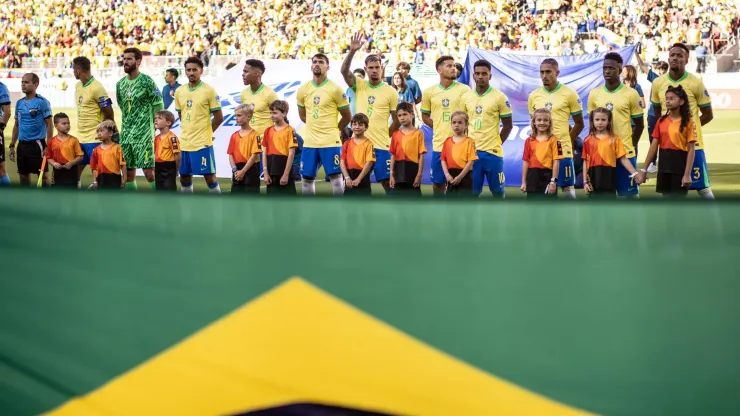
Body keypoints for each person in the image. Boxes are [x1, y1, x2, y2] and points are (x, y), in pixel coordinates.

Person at [650, 43, 714, 199]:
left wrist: (686, 129)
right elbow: (658, 114)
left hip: (693, 146)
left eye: (679, 55)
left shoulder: (695, 83)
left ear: (687, 60)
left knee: (703, 189)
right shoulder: (658, 83)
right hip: (669, 147)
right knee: (671, 192)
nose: (675, 58)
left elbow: (708, 114)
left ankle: (718, 223)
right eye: (672, 55)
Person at [341, 33, 399, 194]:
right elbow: (344, 71)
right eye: (371, 68)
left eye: (377, 67)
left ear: (382, 68)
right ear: (366, 69)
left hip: (380, 145)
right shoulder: (359, 85)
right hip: (358, 145)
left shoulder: (391, 92)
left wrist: (387, 133)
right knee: (355, 183)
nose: (374, 70)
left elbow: (396, 120)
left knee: (388, 183)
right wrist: (352, 51)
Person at [587, 52, 644, 198]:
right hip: (602, 155)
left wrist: (630, 144)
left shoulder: (631, 94)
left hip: (625, 153)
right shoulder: (594, 94)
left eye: (611, 68)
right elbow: (592, 126)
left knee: (629, 197)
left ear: (619, 70)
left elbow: (639, 124)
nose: (607, 71)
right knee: (602, 198)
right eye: (605, 68)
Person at [527, 58, 584, 199]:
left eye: (548, 72)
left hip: (562, 150)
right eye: (542, 72)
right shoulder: (534, 95)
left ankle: (570, 221)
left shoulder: (569, 94)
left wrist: (567, 140)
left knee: (567, 191)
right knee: (542, 192)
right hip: (541, 151)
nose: (544, 76)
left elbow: (579, 123)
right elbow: (533, 124)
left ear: (557, 72)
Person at [296, 53, 352, 196]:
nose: (317, 64)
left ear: (327, 67)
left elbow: (347, 116)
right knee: (307, 178)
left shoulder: (335, 89)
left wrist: (335, 129)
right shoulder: (303, 89)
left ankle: (339, 211)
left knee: (336, 178)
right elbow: (302, 115)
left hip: (330, 141)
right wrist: (315, 126)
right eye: (314, 61)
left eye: (321, 62)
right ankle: (308, 213)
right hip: (310, 142)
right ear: (311, 66)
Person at [461, 59, 513, 198]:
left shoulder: (500, 97)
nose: (480, 76)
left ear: (490, 76)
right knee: (472, 193)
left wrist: (497, 142)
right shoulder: (466, 97)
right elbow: (462, 125)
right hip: (472, 154)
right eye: (477, 73)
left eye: (484, 73)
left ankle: (498, 219)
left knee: (498, 192)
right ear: (473, 75)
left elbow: (508, 125)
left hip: (493, 153)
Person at [421, 56, 471, 196]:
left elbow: (470, 116)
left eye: (454, 66)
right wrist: (437, 126)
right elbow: (424, 115)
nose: (454, 68)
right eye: (449, 66)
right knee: (438, 183)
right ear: (439, 70)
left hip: (460, 146)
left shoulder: (465, 90)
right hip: (439, 145)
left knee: (460, 184)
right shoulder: (429, 92)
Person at [174, 56, 224, 194]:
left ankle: (217, 210)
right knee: (184, 177)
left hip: (202, 143)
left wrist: (208, 132)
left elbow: (219, 117)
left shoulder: (209, 90)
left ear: (201, 71)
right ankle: (187, 211)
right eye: (188, 70)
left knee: (209, 177)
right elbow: (181, 116)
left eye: (194, 70)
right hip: (184, 142)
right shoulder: (180, 91)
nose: (191, 73)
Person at [116, 47, 164, 191]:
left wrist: (155, 126)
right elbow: (122, 105)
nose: (125, 62)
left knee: (149, 172)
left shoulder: (147, 81)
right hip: (126, 135)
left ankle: (162, 204)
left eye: (129, 59)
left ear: (138, 61)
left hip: (144, 135)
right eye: (124, 59)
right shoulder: (120, 84)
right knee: (128, 173)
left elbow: (158, 104)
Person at [637, 86, 697, 197]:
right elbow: (653, 146)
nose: (668, 101)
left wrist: (687, 174)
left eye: (672, 98)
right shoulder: (661, 121)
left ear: (682, 101)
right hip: (664, 167)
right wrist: (644, 170)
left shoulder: (689, 121)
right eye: (667, 98)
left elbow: (691, 149)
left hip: (679, 167)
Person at [72, 56, 114, 188]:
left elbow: (108, 111)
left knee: (97, 173)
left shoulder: (97, 87)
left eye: (73, 69)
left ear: (78, 70)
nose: (73, 72)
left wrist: (109, 133)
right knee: (74, 173)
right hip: (80, 137)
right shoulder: (78, 85)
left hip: (94, 138)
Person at [582, 108, 642, 199]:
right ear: (592, 121)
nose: (600, 122)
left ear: (608, 121)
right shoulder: (587, 140)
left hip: (609, 179)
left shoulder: (615, 139)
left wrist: (635, 173)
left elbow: (624, 159)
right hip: (593, 180)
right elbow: (585, 161)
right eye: (597, 120)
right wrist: (585, 182)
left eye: (603, 120)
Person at [9, 73, 52, 187]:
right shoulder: (19, 103)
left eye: (26, 82)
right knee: (23, 177)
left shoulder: (42, 102)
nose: (23, 85)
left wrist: (49, 145)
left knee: (43, 177)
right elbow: (16, 125)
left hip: (37, 145)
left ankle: (48, 202)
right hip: (22, 146)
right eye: (22, 82)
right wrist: (12, 145)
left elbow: (49, 124)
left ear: (36, 84)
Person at [634, 51, 668, 173]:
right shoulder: (654, 77)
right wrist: (636, 54)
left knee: (666, 139)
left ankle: (665, 162)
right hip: (652, 113)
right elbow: (643, 66)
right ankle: (653, 163)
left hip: (665, 114)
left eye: (663, 70)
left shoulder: (670, 81)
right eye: (659, 69)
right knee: (652, 138)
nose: (661, 72)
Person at [389, 102, 426, 197]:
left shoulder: (418, 133)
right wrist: (391, 174)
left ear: (412, 114)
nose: (402, 117)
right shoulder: (395, 134)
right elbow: (393, 155)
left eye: (405, 114)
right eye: (399, 115)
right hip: (398, 170)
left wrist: (419, 175)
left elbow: (421, 155)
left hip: (412, 170)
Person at [521, 109, 559, 198]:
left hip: (548, 177)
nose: (542, 122)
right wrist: (523, 182)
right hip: (532, 177)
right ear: (534, 122)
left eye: (545, 120)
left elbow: (556, 162)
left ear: (550, 122)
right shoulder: (528, 141)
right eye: (539, 120)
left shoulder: (554, 140)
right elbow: (526, 162)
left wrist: (553, 181)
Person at [263, 100, 299, 195]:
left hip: (284, 168)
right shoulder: (267, 131)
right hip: (271, 169)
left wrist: (286, 174)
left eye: (275, 113)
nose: (272, 115)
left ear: (284, 113)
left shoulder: (290, 131)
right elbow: (264, 153)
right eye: (270, 113)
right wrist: (265, 172)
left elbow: (291, 154)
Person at [440, 111, 477, 197]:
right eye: (454, 122)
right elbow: (443, 159)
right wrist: (447, 175)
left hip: (465, 176)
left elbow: (471, 161)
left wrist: (460, 177)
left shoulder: (469, 142)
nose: (456, 125)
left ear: (466, 125)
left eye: (460, 122)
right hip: (451, 176)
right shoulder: (447, 141)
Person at [240, 59, 279, 139]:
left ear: (257, 74)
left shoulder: (270, 94)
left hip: (265, 144)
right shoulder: (244, 94)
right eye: (243, 71)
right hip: (248, 142)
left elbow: (281, 118)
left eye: (246, 72)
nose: (243, 74)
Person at [227, 104, 262, 194]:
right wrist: (235, 170)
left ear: (248, 117)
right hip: (237, 170)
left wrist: (243, 171)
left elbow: (254, 156)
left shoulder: (255, 135)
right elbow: (230, 154)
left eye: (239, 115)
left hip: (251, 169)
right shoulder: (234, 136)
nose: (236, 118)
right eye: (235, 115)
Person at [340, 113, 375, 196]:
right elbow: (342, 162)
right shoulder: (347, 143)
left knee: (364, 207)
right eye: (354, 124)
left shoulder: (369, 144)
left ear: (366, 127)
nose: (357, 127)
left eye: (360, 124)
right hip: (349, 179)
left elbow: (369, 162)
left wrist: (359, 179)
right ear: (351, 126)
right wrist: (347, 178)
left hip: (363, 179)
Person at [46, 113, 83, 188]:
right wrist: (54, 164)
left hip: (72, 171)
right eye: (64, 123)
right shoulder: (52, 141)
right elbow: (48, 157)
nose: (67, 125)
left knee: (71, 194)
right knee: (57, 194)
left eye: (68, 123)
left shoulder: (74, 140)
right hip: (57, 171)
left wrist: (71, 163)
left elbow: (80, 156)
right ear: (56, 126)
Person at [90, 120, 126, 190]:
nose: (99, 134)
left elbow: (123, 165)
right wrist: (94, 181)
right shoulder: (96, 150)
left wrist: (124, 179)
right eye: (98, 132)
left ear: (110, 133)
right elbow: (94, 167)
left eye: (102, 131)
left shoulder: (117, 148)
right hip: (101, 179)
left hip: (115, 179)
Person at [153, 110, 181, 191]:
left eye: (159, 118)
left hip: (169, 168)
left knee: (169, 189)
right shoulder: (156, 138)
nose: (156, 120)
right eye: (155, 118)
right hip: (158, 167)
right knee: (159, 189)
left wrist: (176, 169)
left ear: (168, 123)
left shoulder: (172, 138)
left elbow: (177, 156)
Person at [0, 80, 10, 186]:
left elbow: (7, 112)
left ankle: (7, 197)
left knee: (1, 170)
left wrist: (0, 128)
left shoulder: (1, 87)